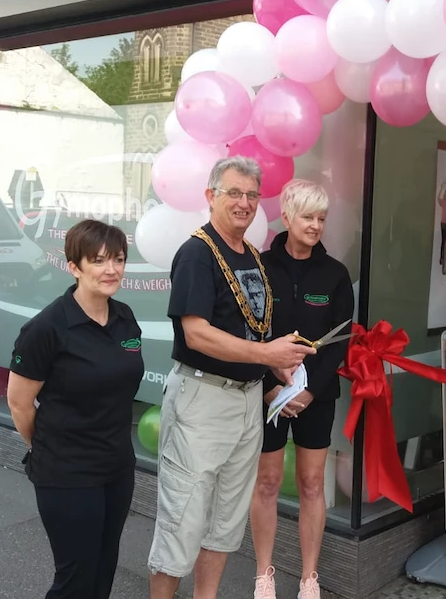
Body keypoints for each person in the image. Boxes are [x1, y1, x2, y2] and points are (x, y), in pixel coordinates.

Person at [147, 157, 316, 599]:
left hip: (247, 401)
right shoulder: (196, 254)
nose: (244, 203)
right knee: (180, 523)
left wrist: (277, 370)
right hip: (202, 399)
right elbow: (196, 333)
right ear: (210, 197)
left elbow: (251, 330)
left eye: (251, 195)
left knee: (224, 524)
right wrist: (266, 353)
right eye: (233, 193)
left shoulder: (252, 257)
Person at [6, 219, 144, 599]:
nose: (111, 269)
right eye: (98, 260)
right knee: (75, 578)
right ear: (74, 267)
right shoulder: (47, 328)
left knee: (103, 568)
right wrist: (50, 448)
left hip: (116, 467)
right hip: (66, 472)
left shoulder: (124, 317)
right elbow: (19, 403)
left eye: (118, 259)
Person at [250, 179, 354, 599]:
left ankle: (309, 578)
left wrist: (310, 391)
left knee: (312, 484)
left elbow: (342, 339)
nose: (315, 225)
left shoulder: (335, 274)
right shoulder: (258, 267)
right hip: (268, 395)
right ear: (286, 217)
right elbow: (245, 332)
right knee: (268, 483)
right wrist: (269, 387)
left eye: (322, 218)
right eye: (307, 217)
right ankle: (263, 575)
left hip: (316, 397)